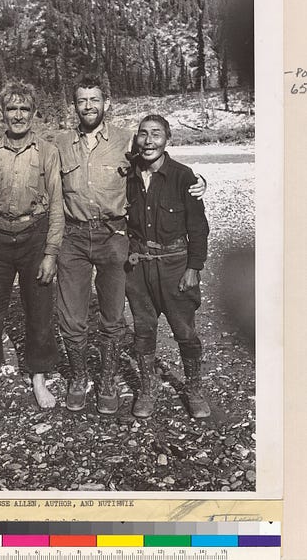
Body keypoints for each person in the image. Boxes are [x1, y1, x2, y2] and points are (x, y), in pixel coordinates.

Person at [56, 76, 206, 414]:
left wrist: (199, 184)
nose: (89, 106)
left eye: (95, 99)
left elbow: (172, 177)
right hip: (84, 240)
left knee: (142, 322)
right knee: (93, 320)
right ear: (75, 105)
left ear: (106, 103)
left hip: (119, 240)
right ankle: (88, 381)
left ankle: (123, 383)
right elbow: (40, 171)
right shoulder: (60, 144)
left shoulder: (131, 143)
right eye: (82, 100)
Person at [0, 80, 64, 414]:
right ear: (2, 114)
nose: (18, 115)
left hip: (34, 236)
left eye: (24, 109)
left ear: (34, 113)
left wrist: (51, 253)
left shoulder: (48, 152)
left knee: (39, 311)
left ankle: (38, 375)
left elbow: (57, 205)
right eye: (12, 109)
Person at [125, 114, 210, 419]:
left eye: (156, 135)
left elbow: (199, 227)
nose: (149, 141)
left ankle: (194, 389)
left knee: (185, 332)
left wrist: (194, 267)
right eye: (143, 135)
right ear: (136, 139)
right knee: (143, 331)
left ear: (167, 139)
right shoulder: (128, 175)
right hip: (138, 268)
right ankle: (148, 389)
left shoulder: (183, 176)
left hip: (176, 266)